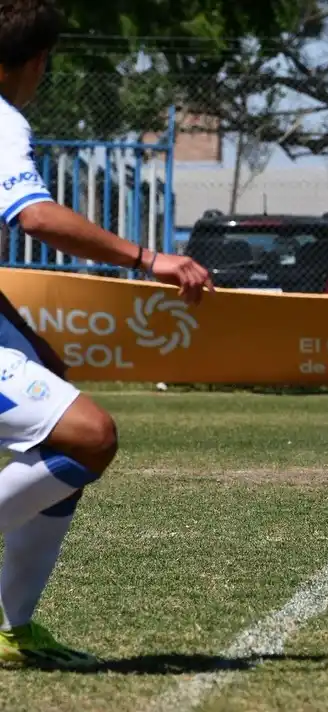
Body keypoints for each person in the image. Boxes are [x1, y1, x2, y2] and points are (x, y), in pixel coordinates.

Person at [0, 0, 212, 667]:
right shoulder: (2, 120)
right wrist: (149, 259)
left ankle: (14, 630)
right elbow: (35, 217)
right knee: (91, 436)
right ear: (36, 61)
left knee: (67, 440)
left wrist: (24, 335)